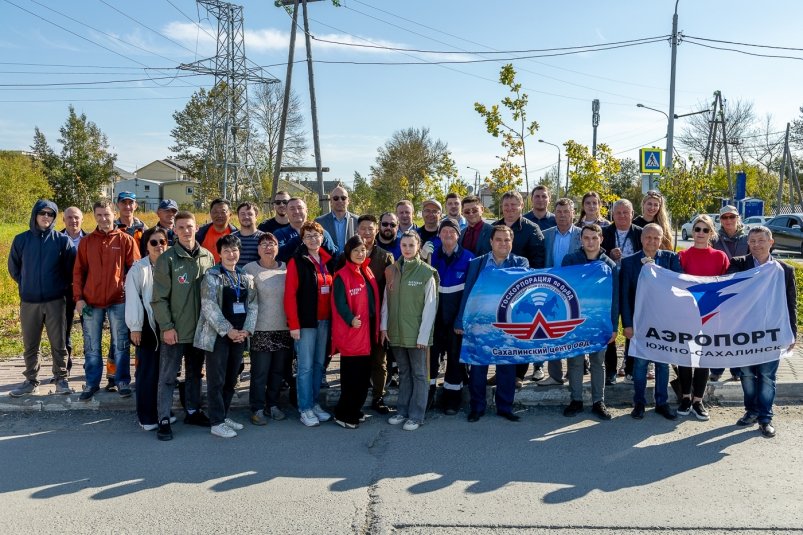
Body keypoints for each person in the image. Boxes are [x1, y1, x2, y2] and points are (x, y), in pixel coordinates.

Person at [152, 211, 216, 441]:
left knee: (195, 374)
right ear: (174, 231)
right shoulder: (167, 259)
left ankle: (193, 411)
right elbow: (158, 298)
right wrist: (167, 327)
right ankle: (163, 419)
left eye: (189, 226)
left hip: (200, 329)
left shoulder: (208, 257)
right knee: (168, 376)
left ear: (196, 227)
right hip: (175, 331)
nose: (186, 231)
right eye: (181, 227)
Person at [728, 226, 796, 438]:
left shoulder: (784, 270)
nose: (756, 245)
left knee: (767, 376)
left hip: (771, 333)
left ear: (771, 242)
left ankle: (765, 418)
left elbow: (790, 303)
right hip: (745, 333)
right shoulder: (739, 264)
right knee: (747, 374)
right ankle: (752, 411)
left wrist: (792, 332)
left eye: (760, 240)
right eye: (752, 241)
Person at [455, 225, 528, 422]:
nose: (503, 243)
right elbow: (468, 292)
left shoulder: (521, 262)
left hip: (508, 324)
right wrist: (461, 320)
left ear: (512, 242)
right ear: (491, 242)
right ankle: (477, 407)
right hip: (481, 322)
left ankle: (505, 407)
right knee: (478, 367)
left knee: (507, 367)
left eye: (507, 240)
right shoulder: (478, 263)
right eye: (499, 240)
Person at [73, 199, 140, 402]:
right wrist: (79, 299)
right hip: (91, 302)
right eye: (99, 215)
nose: (103, 218)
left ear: (114, 215)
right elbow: (78, 272)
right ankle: (92, 383)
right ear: (95, 216)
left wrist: (128, 294)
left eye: (107, 214)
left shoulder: (125, 240)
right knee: (92, 345)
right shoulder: (86, 242)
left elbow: (135, 270)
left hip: (118, 300)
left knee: (120, 344)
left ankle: (121, 382)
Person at [8, 200, 75, 397]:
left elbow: (71, 270)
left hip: (55, 301)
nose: (46, 216)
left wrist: (59, 286)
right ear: (35, 214)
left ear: (54, 218)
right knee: (30, 344)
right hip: (29, 302)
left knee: (59, 342)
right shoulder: (21, 240)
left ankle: (61, 379)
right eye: (42, 213)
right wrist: (27, 283)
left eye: (50, 214)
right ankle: (30, 380)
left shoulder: (62, 241)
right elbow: (14, 268)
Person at [194, 235, 258, 438]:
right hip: (218, 336)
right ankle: (216, 422)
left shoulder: (245, 277)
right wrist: (228, 330)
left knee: (231, 378)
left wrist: (246, 330)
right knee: (216, 379)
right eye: (227, 251)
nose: (232, 254)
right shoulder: (212, 276)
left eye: (235, 250)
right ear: (219, 254)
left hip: (239, 335)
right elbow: (209, 305)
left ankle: (224, 414)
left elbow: (254, 304)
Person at [619, 223, 682, 420]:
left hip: (664, 322)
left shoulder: (671, 259)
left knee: (662, 364)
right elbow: (624, 297)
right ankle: (639, 402)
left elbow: (679, 288)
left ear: (661, 239)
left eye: (656, 238)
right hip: (640, 323)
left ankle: (661, 402)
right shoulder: (629, 262)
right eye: (648, 237)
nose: (652, 241)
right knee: (640, 364)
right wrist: (627, 324)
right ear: (642, 239)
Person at [381, 231, 439, 431]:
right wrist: (384, 326)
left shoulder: (426, 273)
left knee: (420, 375)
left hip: (417, 335)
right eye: (404, 245)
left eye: (411, 245)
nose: (407, 249)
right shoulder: (392, 270)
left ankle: (416, 415)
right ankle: (402, 411)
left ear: (418, 247)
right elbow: (386, 301)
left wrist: (424, 335)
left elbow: (430, 307)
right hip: (396, 332)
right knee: (404, 373)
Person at [560, 224, 617, 420]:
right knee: (575, 361)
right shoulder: (570, 260)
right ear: (581, 240)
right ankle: (575, 400)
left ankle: (598, 401)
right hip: (574, 319)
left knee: (597, 362)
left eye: (594, 238)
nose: (590, 242)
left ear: (601, 239)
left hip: (599, 322)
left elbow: (614, 298)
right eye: (586, 238)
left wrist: (614, 326)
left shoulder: (609, 265)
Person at [677, 213, 729, 421]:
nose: (700, 233)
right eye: (697, 229)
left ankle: (698, 400)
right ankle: (686, 398)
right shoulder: (683, 255)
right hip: (686, 314)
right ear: (692, 231)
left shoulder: (720, 257)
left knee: (703, 358)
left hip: (710, 313)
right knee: (686, 357)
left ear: (711, 233)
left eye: (705, 230)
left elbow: (726, 285)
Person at [284, 221, 336, 427]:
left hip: (325, 321)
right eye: (308, 236)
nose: (313, 239)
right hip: (306, 323)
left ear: (322, 237)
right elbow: (289, 296)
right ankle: (304, 408)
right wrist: (293, 325)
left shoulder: (327, 260)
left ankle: (314, 404)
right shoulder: (297, 262)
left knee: (318, 365)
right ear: (303, 240)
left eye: (316, 235)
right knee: (305, 367)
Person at [492, 190, 546, 384]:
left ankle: (518, 374)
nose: (509, 209)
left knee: (521, 332)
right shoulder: (494, 227)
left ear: (522, 206)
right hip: (498, 292)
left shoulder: (532, 230)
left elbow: (539, 262)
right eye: (506, 206)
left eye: (514, 205)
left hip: (524, 291)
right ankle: (501, 372)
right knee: (502, 333)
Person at [331, 235, 380, 428]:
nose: (360, 253)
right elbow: (339, 302)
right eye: (356, 250)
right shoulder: (342, 275)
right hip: (353, 333)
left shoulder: (366, 270)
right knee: (352, 377)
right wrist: (350, 319)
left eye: (363, 250)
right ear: (348, 253)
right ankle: (343, 414)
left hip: (367, 332)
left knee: (362, 377)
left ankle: (355, 409)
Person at [244, 233, 292, 425]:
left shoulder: (286, 269)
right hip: (260, 329)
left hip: (283, 328)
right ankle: (256, 408)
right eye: (263, 244)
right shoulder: (249, 269)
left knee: (277, 371)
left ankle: (272, 404)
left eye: (271, 244)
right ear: (258, 249)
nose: (267, 248)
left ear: (277, 248)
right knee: (260, 372)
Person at [429, 219, 474, 414]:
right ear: (439, 235)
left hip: (456, 319)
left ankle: (451, 400)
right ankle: (428, 396)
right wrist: (423, 259)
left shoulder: (469, 259)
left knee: (455, 360)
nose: (447, 234)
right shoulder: (431, 257)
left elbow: (470, 295)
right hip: (435, 319)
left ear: (458, 235)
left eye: (451, 231)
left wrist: (461, 319)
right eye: (444, 231)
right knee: (431, 359)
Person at [125, 227, 169, 430]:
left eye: (162, 241)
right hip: (146, 327)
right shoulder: (138, 268)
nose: (159, 246)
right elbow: (133, 299)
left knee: (163, 374)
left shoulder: (170, 264)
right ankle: (147, 417)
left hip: (167, 326)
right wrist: (135, 327)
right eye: (154, 242)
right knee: (147, 373)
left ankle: (162, 413)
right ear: (146, 245)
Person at [538, 198, 583, 386]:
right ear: (554, 214)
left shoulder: (582, 235)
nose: (562, 215)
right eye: (559, 212)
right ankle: (555, 375)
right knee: (551, 333)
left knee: (573, 333)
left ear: (573, 213)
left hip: (576, 292)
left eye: (566, 211)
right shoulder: (545, 235)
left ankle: (574, 376)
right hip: (551, 291)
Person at [356, 215, 395, 414]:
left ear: (376, 231)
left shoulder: (385, 257)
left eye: (371, 229)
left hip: (378, 317)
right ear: (357, 231)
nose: (367, 233)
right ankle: (358, 398)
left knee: (379, 361)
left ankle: (378, 398)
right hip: (355, 319)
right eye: (363, 229)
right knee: (358, 361)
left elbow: (391, 290)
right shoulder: (347, 255)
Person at [601, 199, 643, 383]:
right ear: (613, 215)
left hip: (634, 284)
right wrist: (609, 254)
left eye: (626, 212)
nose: (622, 216)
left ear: (632, 214)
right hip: (610, 283)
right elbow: (596, 253)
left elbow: (646, 255)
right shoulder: (604, 232)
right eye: (618, 213)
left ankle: (630, 368)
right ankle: (610, 370)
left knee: (631, 325)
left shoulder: (640, 233)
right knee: (610, 326)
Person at [109, 191, 147, 391]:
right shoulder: (112, 227)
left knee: (140, 330)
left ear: (135, 206)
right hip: (117, 287)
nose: (127, 206)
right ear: (118, 205)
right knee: (118, 333)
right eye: (123, 203)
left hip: (140, 285)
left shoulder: (143, 228)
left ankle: (140, 372)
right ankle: (112, 375)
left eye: (130, 203)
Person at [710, 205, 750, 382]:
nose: (728, 221)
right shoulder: (714, 238)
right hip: (719, 289)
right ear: (720, 220)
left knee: (738, 330)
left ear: (737, 218)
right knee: (719, 330)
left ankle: (737, 369)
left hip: (742, 290)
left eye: (731, 217)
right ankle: (717, 369)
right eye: (724, 217)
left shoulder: (748, 238)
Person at [274, 198, 339, 263]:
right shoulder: (280, 234)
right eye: (292, 209)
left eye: (300, 208)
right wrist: (301, 238)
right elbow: (277, 255)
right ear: (287, 212)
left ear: (306, 211)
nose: (296, 211)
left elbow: (334, 255)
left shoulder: (321, 232)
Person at [61, 206, 85, 373]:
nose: (73, 220)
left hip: (86, 293)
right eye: (69, 217)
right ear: (63, 220)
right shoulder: (55, 239)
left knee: (89, 330)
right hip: (64, 292)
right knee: (64, 330)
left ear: (82, 219)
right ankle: (65, 366)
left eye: (76, 217)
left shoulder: (90, 239)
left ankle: (89, 365)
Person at [315, 184, 358, 251]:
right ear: (331, 201)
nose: (340, 201)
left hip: (350, 261)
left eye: (343, 198)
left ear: (348, 201)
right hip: (329, 260)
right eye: (336, 198)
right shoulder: (320, 222)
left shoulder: (358, 221)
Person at [197, 198, 237, 264]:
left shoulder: (236, 234)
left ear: (230, 215)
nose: (219, 215)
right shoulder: (200, 233)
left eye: (223, 212)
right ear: (210, 213)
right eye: (215, 212)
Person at [232, 201, 264, 268]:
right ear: (238, 217)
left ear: (256, 216)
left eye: (250, 214)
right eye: (242, 214)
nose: (246, 217)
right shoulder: (231, 238)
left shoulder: (264, 238)